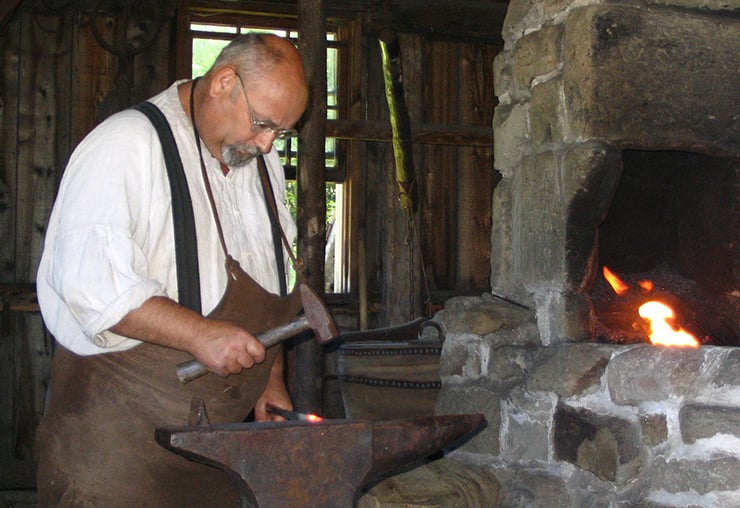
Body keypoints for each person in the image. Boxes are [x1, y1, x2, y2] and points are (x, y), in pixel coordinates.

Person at [34, 33, 309, 506]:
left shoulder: (258, 162)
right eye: (264, 124)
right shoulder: (126, 145)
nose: (267, 145)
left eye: (280, 133)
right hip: (117, 458)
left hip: (212, 462)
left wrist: (271, 378)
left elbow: (273, 278)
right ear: (224, 82)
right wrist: (199, 335)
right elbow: (91, 288)